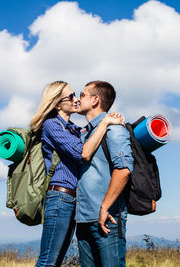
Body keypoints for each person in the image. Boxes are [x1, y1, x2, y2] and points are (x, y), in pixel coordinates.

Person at [30, 81, 125, 267]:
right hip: (60, 197)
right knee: (48, 260)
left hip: (73, 201)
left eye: (76, 95)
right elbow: (83, 153)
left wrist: (108, 119)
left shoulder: (74, 128)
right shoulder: (52, 125)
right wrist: (105, 121)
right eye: (71, 96)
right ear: (57, 103)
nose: (76, 100)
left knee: (56, 260)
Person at [75, 81, 134, 267]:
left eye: (82, 94)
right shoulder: (85, 134)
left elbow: (123, 170)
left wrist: (104, 208)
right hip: (83, 219)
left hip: (107, 219)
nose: (77, 99)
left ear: (95, 100)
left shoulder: (114, 129)